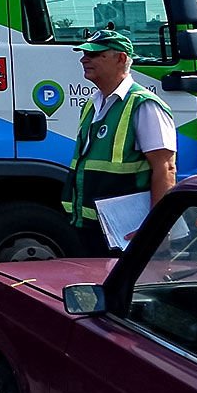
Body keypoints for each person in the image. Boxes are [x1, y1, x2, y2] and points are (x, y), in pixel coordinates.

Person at [61, 29, 176, 255]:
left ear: (121, 58)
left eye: (95, 54)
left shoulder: (144, 105)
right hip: (93, 229)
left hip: (126, 233)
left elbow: (166, 169)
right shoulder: (91, 105)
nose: (84, 59)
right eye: (84, 54)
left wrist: (156, 228)